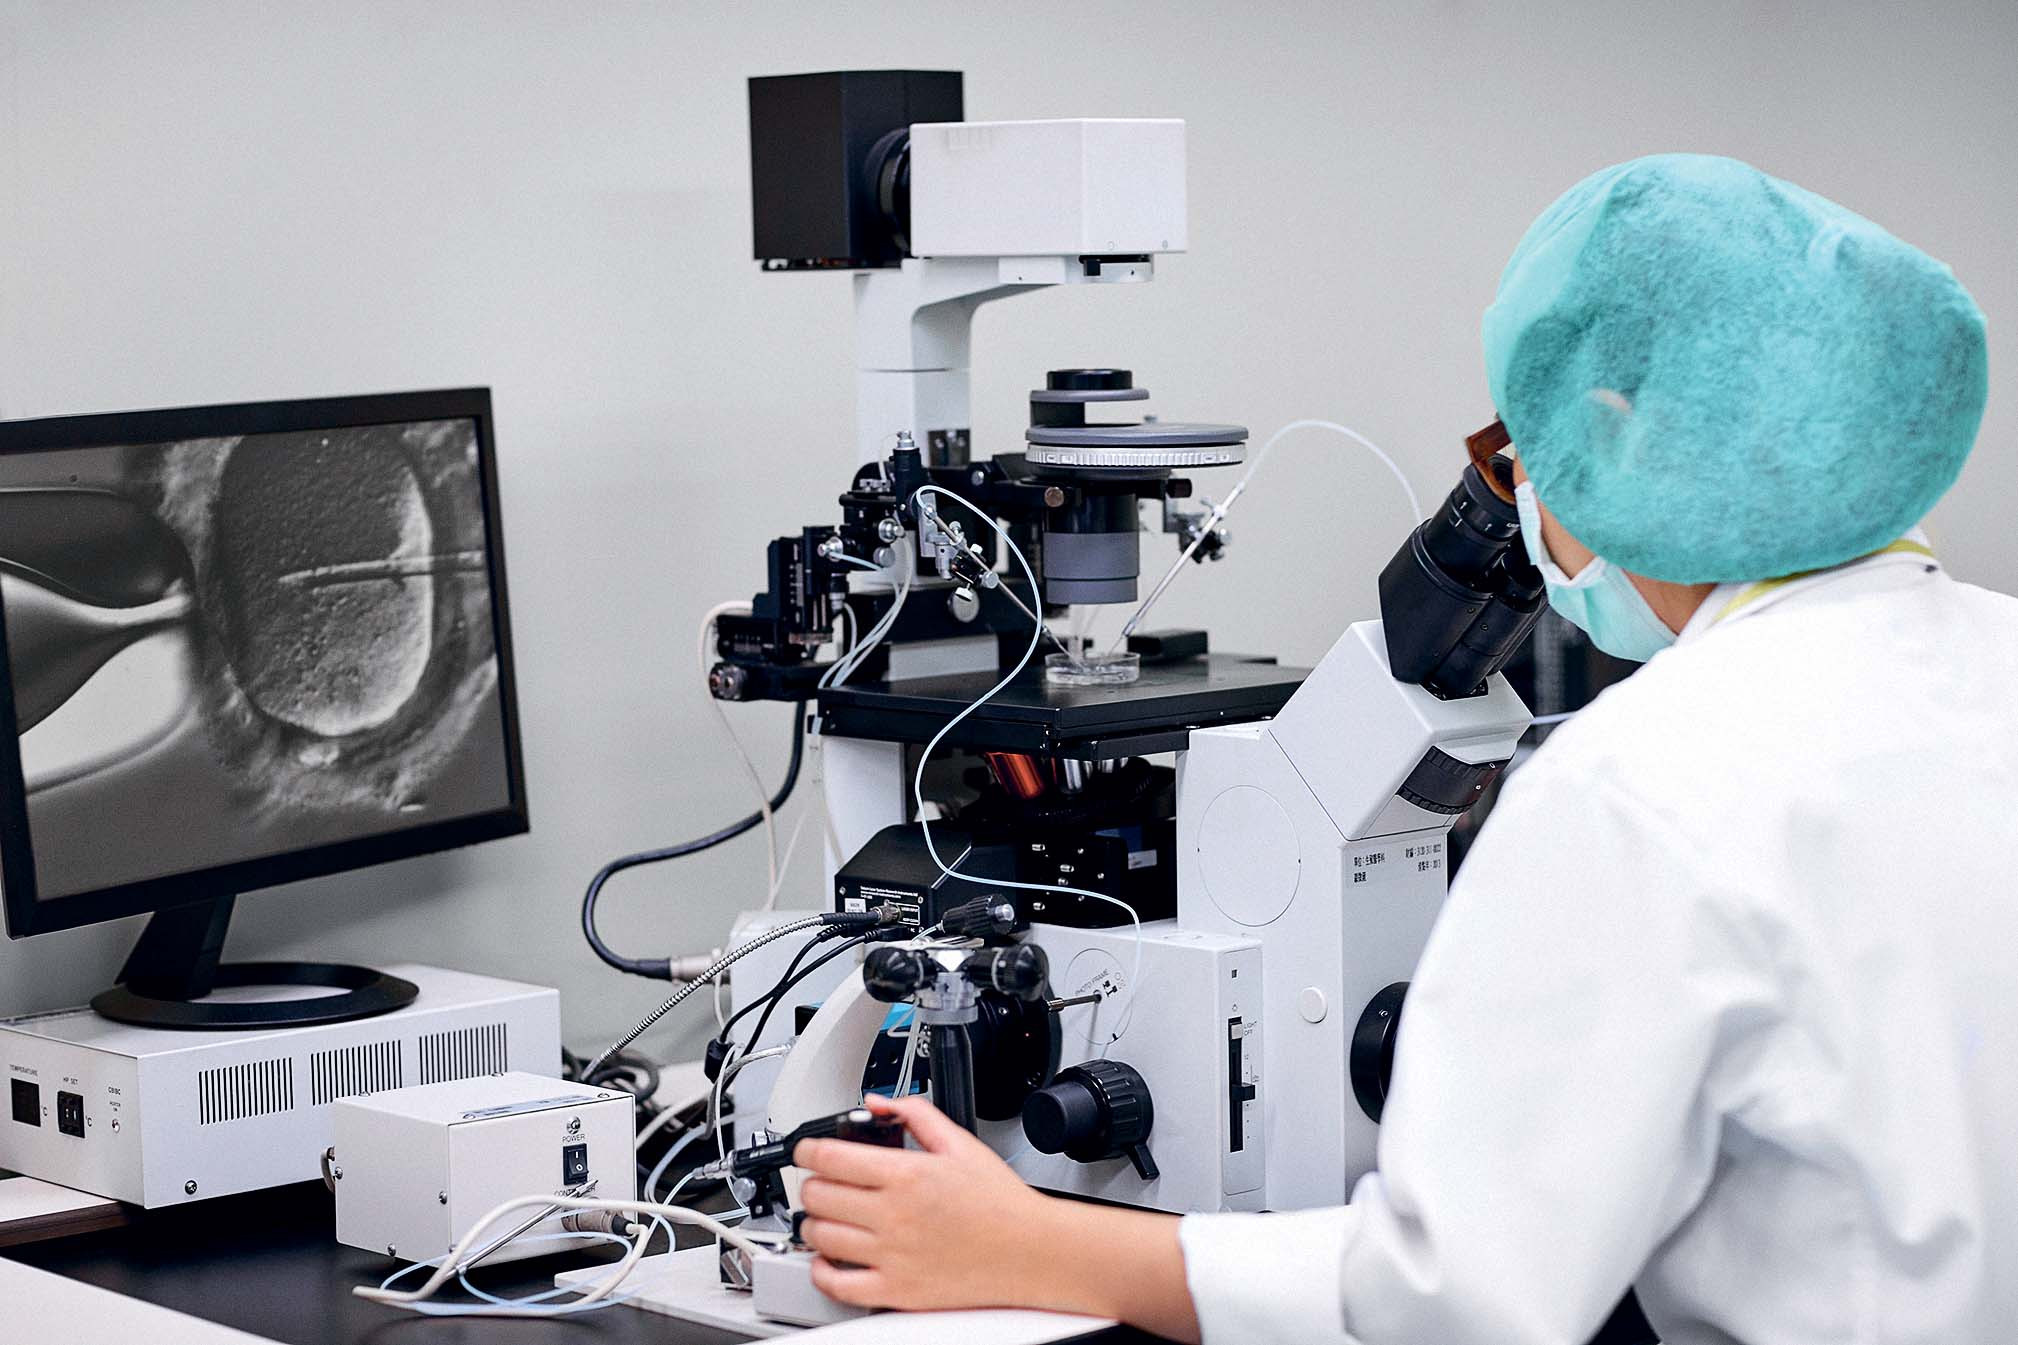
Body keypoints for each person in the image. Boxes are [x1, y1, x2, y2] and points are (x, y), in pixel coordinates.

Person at [792, 155, 2017, 1344]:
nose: (1520, 498)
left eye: (1520, 451)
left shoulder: (1642, 782)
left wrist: (1022, 1242)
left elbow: (1455, 1298)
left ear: (1607, 437)